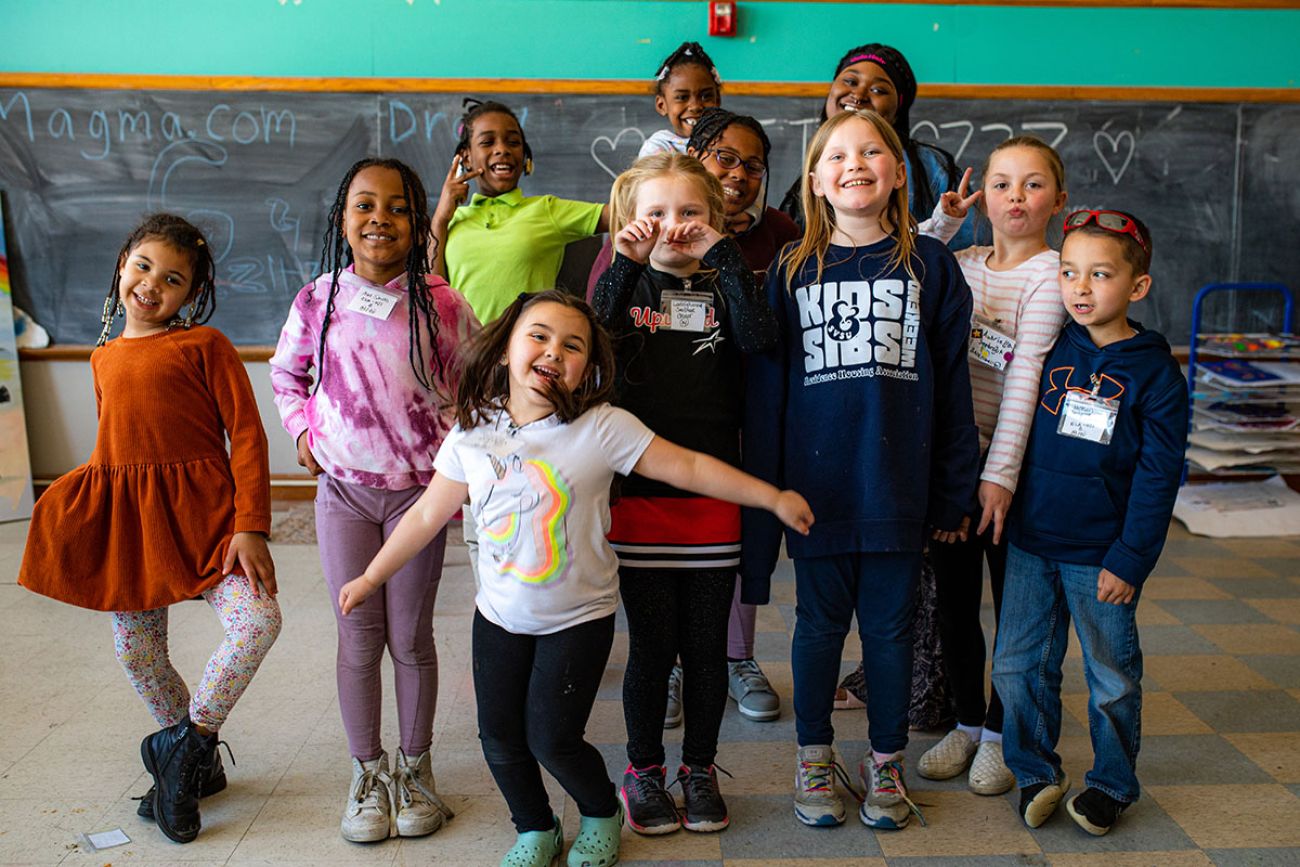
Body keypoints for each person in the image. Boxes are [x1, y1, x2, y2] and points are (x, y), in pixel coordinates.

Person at [335, 290, 813, 867]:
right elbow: (426, 515)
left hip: (578, 619)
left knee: (553, 738)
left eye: (572, 344)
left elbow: (687, 466)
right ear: (508, 344)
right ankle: (534, 826)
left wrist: (772, 498)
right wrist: (370, 577)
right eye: (538, 335)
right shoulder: (472, 432)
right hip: (499, 618)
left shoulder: (602, 428)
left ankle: (599, 810)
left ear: (589, 365)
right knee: (499, 738)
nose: (553, 351)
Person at [741, 109, 980, 831]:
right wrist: (772, 493)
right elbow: (769, 395)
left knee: (890, 634)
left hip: (897, 492)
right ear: (814, 179)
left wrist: (954, 489)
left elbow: (953, 392)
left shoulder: (932, 266)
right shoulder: (789, 269)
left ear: (899, 172)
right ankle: (815, 755)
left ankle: (885, 763)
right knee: (815, 629)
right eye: (837, 154)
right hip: (815, 494)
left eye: (873, 150)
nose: (855, 163)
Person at [18, 214, 281, 845]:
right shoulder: (103, 356)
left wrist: (251, 526)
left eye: (173, 279)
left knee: (259, 624)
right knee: (136, 652)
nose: (152, 285)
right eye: (143, 267)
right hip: (135, 529)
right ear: (121, 263)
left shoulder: (204, 346)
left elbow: (245, 434)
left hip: (212, 523)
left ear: (190, 295)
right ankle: (194, 766)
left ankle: (183, 752)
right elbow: (118, 447)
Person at [269, 158, 477, 843]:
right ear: (342, 220)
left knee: (411, 638)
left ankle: (415, 771)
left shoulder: (444, 303)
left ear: (420, 224)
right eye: (364, 205)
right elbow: (286, 375)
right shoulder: (316, 299)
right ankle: (367, 774)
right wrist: (301, 429)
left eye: (397, 207)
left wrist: (459, 460)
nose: (379, 218)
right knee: (357, 634)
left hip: (416, 502)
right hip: (345, 498)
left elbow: (472, 388)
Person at [593, 151, 778, 835]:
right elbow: (596, 336)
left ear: (719, 217)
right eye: (657, 213)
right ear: (630, 220)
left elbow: (762, 341)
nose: (674, 226)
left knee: (705, 648)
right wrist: (625, 262)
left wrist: (726, 258)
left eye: (691, 213)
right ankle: (643, 770)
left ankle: (697, 766)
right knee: (649, 648)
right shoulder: (625, 286)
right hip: (638, 500)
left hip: (712, 502)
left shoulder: (729, 286)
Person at [992, 209, 1187, 836]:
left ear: (1137, 287)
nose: (1080, 288)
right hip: (1030, 542)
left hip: (1102, 554)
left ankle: (1110, 784)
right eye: (1069, 273)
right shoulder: (1050, 344)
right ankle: (1033, 772)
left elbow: (1159, 478)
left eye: (1099, 275)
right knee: (1018, 666)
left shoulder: (1155, 373)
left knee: (1110, 677)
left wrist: (1131, 558)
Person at [918, 136, 1070, 796]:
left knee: (1016, 611)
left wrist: (998, 477)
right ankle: (968, 721)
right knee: (954, 606)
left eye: (1033, 185)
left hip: (1017, 474)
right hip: (954, 465)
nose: (1015, 196)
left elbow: (1026, 375)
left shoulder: (1053, 274)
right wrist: (945, 219)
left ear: (1059, 202)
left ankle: (1006, 731)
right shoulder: (959, 260)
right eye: (1002, 183)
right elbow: (903, 260)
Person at [778, 43, 975, 250]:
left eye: (878, 90)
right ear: (815, 183)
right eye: (850, 81)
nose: (859, 94)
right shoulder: (814, 173)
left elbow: (966, 252)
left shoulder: (930, 168)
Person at [433, 98, 610, 325]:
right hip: (466, 355)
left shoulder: (546, 210)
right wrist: (439, 219)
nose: (502, 150)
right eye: (487, 142)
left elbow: (619, 215)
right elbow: (432, 293)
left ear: (524, 156)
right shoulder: (450, 221)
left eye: (513, 142)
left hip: (525, 353)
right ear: (466, 157)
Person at [638, 41, 723, 158]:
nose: (695, 106)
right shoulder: (657, 149)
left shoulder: (730, 143)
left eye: (706, 96)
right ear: (661, 105)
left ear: (717, 101)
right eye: (682, 97)